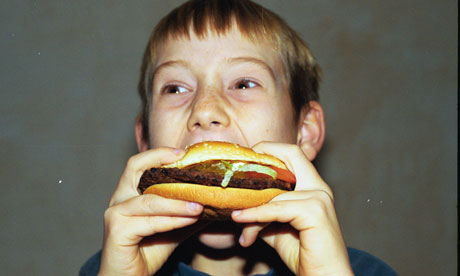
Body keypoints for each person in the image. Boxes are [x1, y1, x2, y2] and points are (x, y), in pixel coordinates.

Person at [80, 0, 398, 275]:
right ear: (145, 141)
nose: (205, 110)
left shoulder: (363, 272)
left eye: (244, 84)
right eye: (175, 88)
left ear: (305, 131)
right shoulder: (110, 267)